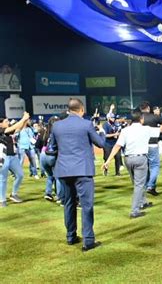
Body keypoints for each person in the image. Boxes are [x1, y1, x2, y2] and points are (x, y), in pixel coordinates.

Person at [50, 98, 105, 251]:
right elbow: (100, 143)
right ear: (81, 110)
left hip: (64, 170)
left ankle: (71, 236)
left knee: (69, 204)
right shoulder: (86, 124)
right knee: (86, 205)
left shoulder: (57, 125)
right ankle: (88, 240)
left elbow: (52, 147)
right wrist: (102, 132)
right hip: (83, 170)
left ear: (69, 110)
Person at [103, 110, 162, 218]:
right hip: (140, 159)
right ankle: (134, 210)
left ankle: (143, 202)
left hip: (128, 159)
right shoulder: (146, 129)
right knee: (139, 185)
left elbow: (117, 146)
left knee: (136, 183)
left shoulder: (125, 130)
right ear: (142, 119)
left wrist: (107, 161)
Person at [0, 111, 30, 207]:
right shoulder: (1, 130)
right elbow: (13, 127)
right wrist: (23, 118)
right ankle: (2, 199)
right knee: (3, 179)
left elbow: (18, 129)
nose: (7, 122)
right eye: (6, 121)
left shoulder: (7, 131)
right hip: (3, 157)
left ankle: (13, 194)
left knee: (20, 175)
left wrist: (25, 120)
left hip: (12, 157)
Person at [139, 102, 161, 196]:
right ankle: (151, 186)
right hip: (153, 144)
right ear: (148, 108)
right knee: (155, 166)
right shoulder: (153, 117)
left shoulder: (139, 118)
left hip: (141, 145)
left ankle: (147, 186)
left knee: (146, 167)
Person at [41, 116, 63, 203]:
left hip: (43, 155)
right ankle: (59, 197)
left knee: (50, 175)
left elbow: (40, 144)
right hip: (52, 156)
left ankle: (48, 193)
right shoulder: (58, 133)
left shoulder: (45, 132)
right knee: (58, 177)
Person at [102, 108, 122, 176]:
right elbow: (105, 135)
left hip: (115, 143)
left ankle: (117, 172)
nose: (113, 119)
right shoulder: (105, 125)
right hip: (107, 144)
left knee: (118, 157)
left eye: (114, 117)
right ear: (108, 118)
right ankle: (105, 170)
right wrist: (115, 134)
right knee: (107, 158)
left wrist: (118, 134)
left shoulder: (116, 124)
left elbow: (119, 130)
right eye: (112, 118)